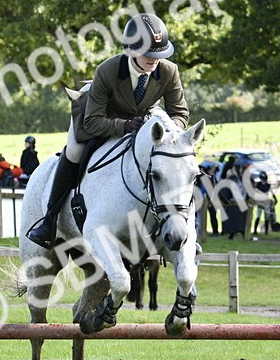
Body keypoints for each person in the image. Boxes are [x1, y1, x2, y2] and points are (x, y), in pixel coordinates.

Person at [27, 12, 189, 248]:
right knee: (73, 151)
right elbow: (93, 121)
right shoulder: (108, 70)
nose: (154, 60)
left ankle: (186, 231)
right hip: (99, 118)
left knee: (179, 162)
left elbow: (180, 114)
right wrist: (124, 126)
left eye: (158, 54)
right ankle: (49, 219)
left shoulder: (169, 70)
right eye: (148, 54)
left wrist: (170, 136)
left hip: (144, 123)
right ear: (131, 49)